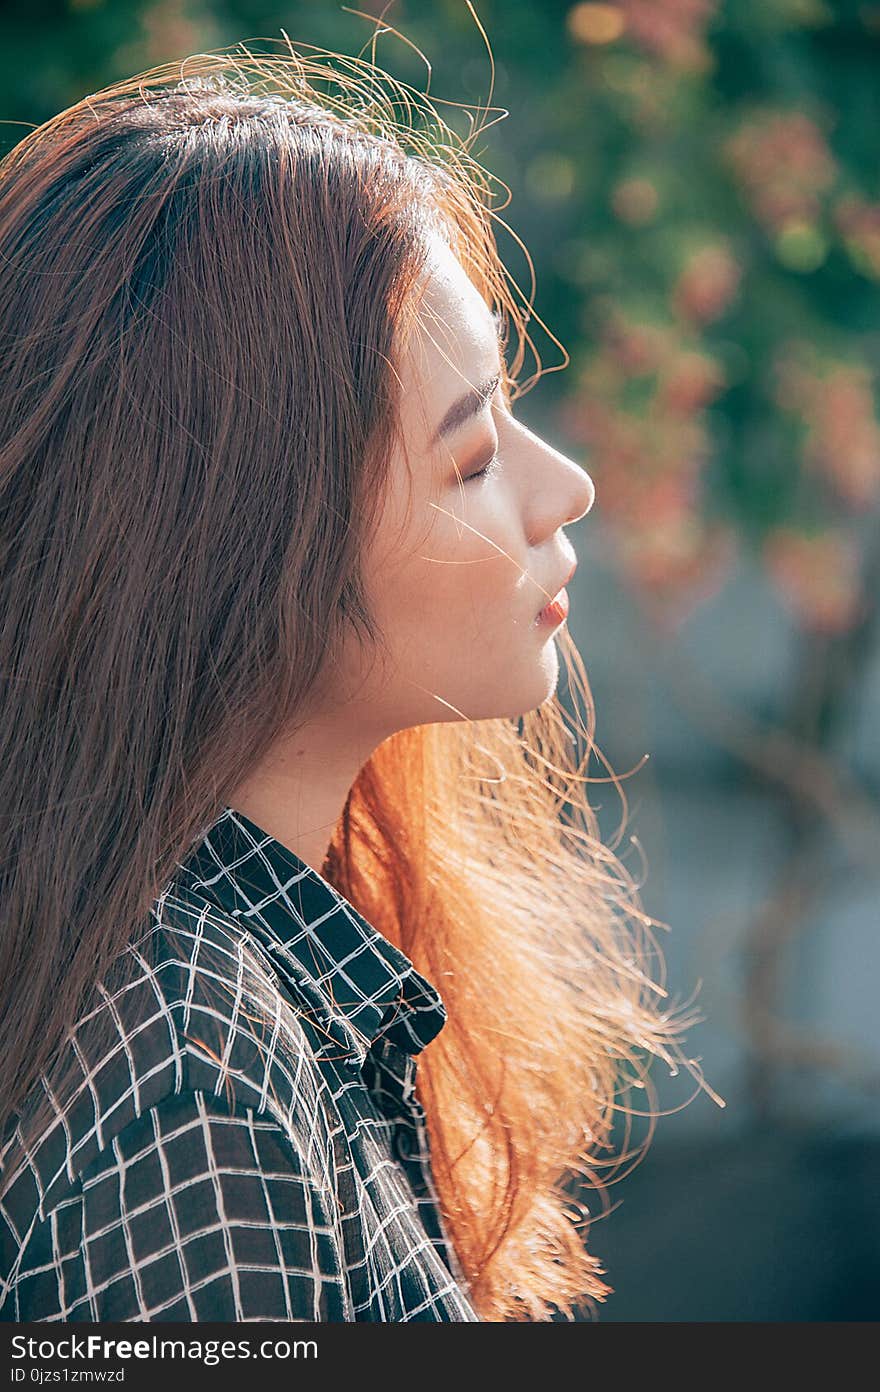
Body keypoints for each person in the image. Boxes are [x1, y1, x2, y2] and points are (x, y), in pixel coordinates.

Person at [0, 45, 706, 1324]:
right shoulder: (193, 1070)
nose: (568, 490)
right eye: (475, 453)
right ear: (242, 536)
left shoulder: (249, 964)